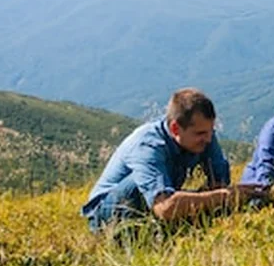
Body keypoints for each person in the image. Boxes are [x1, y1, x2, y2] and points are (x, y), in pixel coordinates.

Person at [81, 88, 259, 230]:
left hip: (158, 200)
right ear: (175, 129)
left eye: (211, 131)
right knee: (138, 185)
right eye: (200, 133)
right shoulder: (148, 146)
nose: (208, 139)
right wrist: (221, 197)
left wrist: (220, 196)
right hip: (107, 212)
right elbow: (164, 207)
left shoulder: (204, 136)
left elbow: (219, 182)